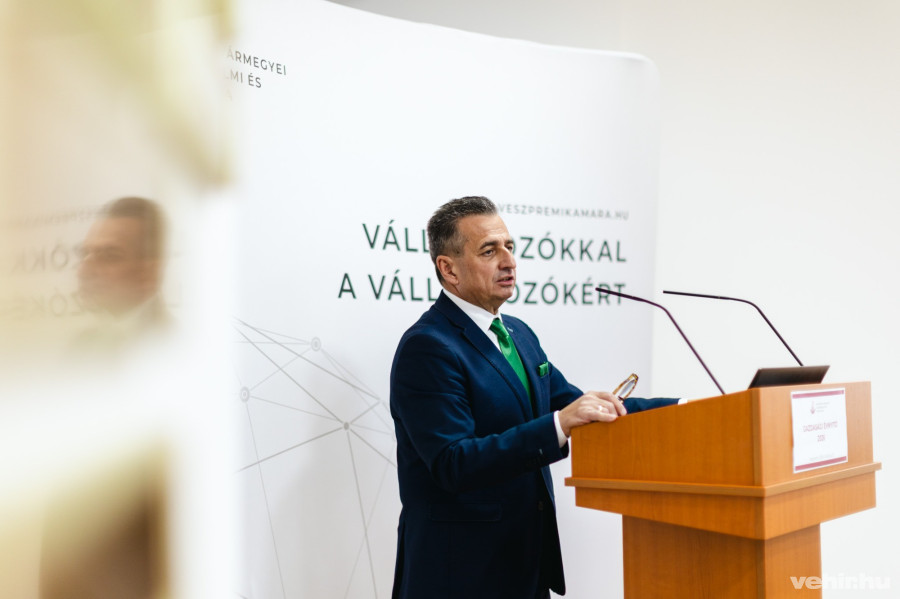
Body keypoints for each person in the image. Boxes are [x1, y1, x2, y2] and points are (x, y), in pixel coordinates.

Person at [390, 196, 675, 599]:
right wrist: (558, 425)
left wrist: (687, 410)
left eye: (509, 246)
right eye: (489, 251)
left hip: (524, 564)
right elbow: (454, 463)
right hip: (461, 574)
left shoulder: (519, 333)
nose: (509, 261)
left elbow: (578, 405)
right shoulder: (428, 347)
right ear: (448, 269)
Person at [73, 196, 171, 353]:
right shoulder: (80, 346)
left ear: (150, 271)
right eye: (85, 254)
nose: (84, 271)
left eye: (109, 256)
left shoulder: (179, 346)